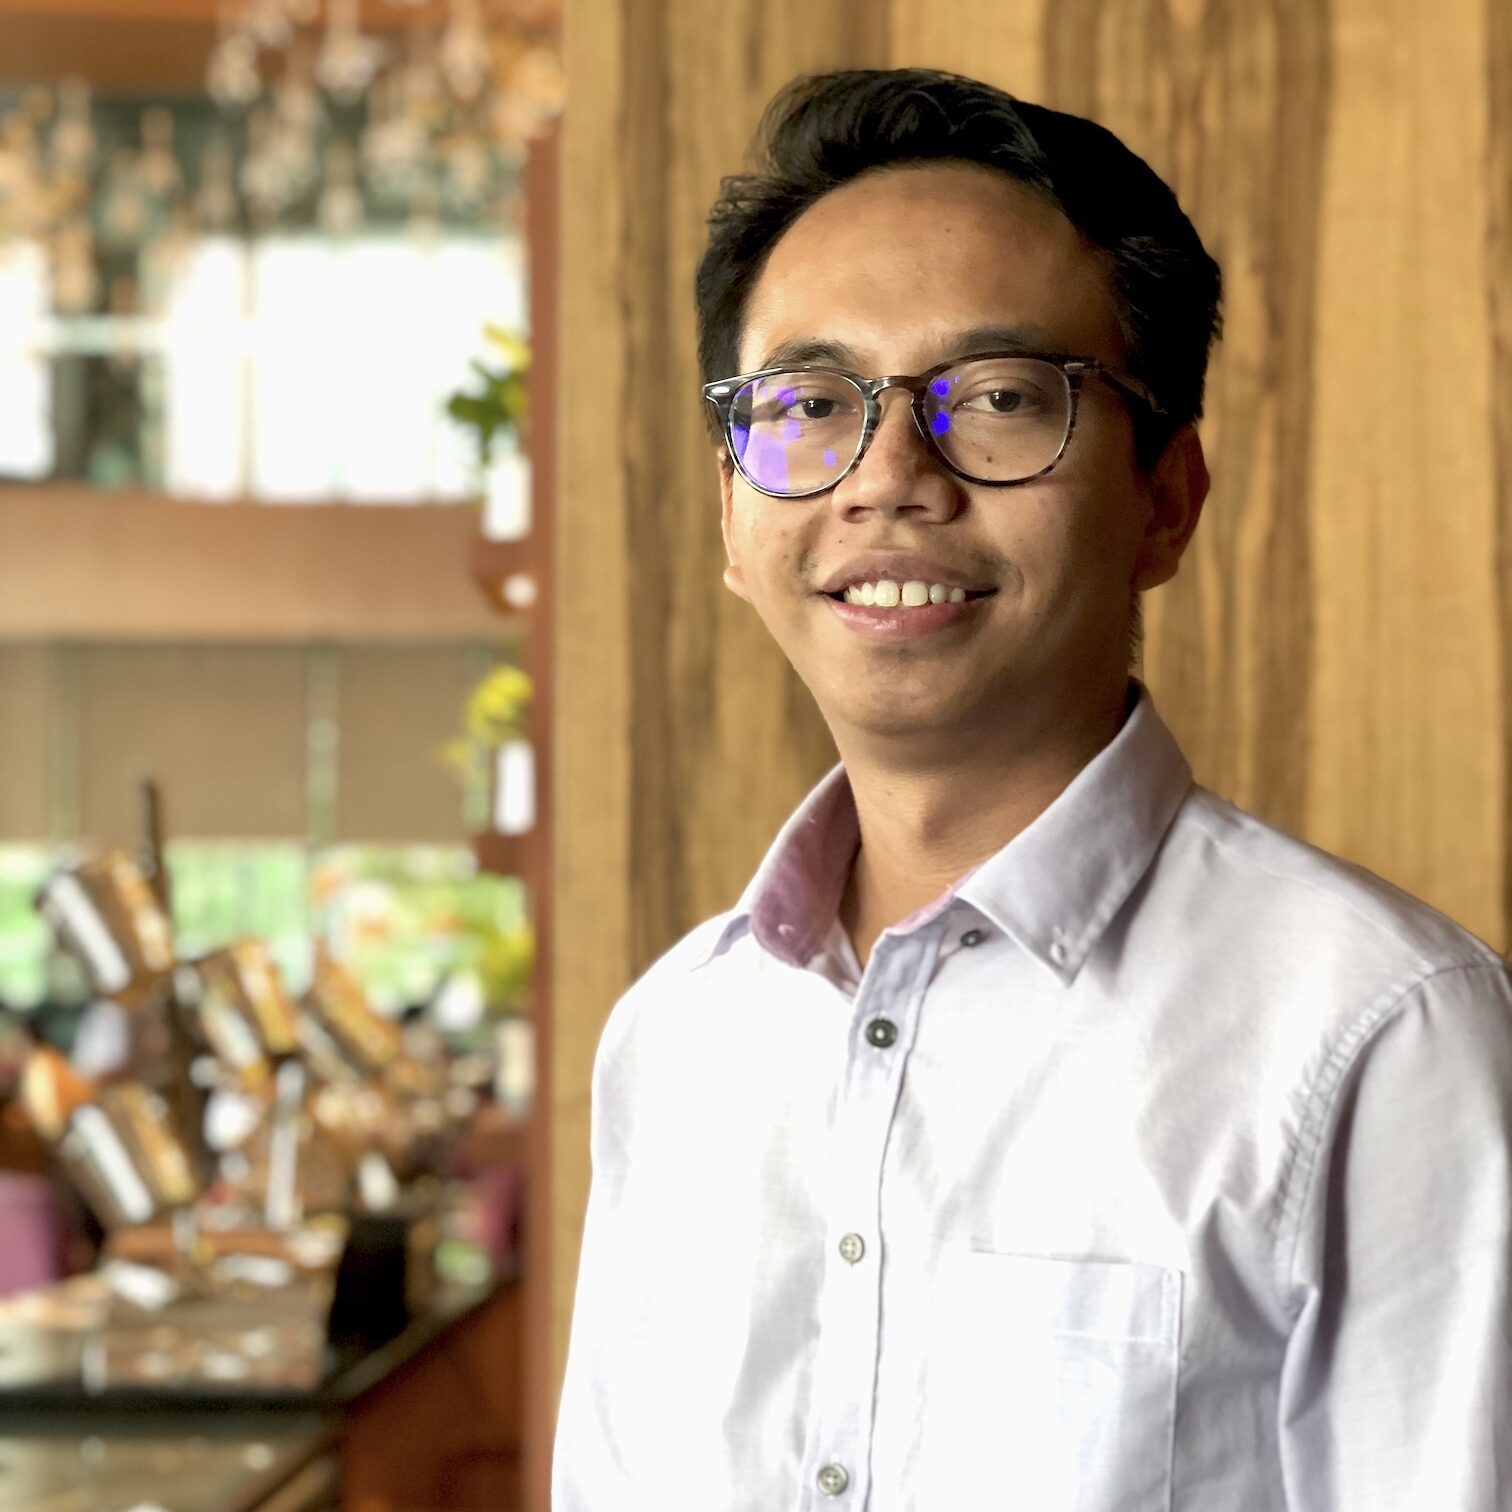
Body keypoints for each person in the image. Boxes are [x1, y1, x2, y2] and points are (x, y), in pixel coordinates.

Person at [552, 68, 1512, 1511]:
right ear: (733, 521)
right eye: (809, 403)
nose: (888, 477)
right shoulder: (675, 1042)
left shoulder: (1385, 1035)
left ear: (1165, 502)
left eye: (999, 398)